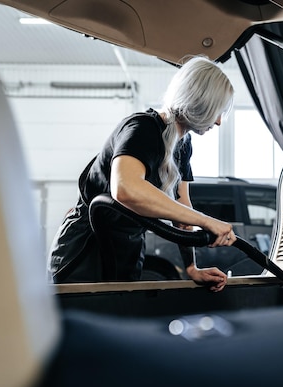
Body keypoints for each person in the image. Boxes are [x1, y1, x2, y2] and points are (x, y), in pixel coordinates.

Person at [49, 56, 236, 292]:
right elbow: (126, 190)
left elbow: (182, 212)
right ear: (199, 101)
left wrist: (191, 268)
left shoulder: (183, 145)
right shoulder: (142, 129)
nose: (219, 121)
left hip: (127, 249)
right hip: (86, 248)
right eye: (217, 111)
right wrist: (206, 221)